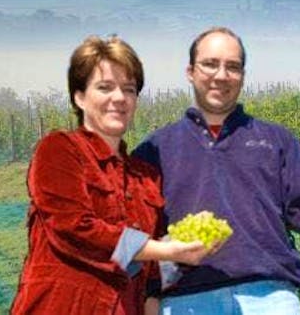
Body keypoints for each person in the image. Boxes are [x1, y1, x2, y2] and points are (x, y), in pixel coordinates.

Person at [132, 26, 300, 314]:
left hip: (269, 297)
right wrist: (149, 297)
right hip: (187, 302)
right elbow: (134, 237)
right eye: (210, 64)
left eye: (232, 67)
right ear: (190, 71)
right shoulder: (155, 150)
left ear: (242, 76)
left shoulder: (275, 141)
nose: (221, 75)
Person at [12, 36, 211, 315]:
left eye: (128, 89)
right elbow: (75, 230)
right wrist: (167, 251)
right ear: (79, 97)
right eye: (105, 87)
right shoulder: (60, 150)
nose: (119, 98)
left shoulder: (145, 176)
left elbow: (146, 267)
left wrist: (187, 243)